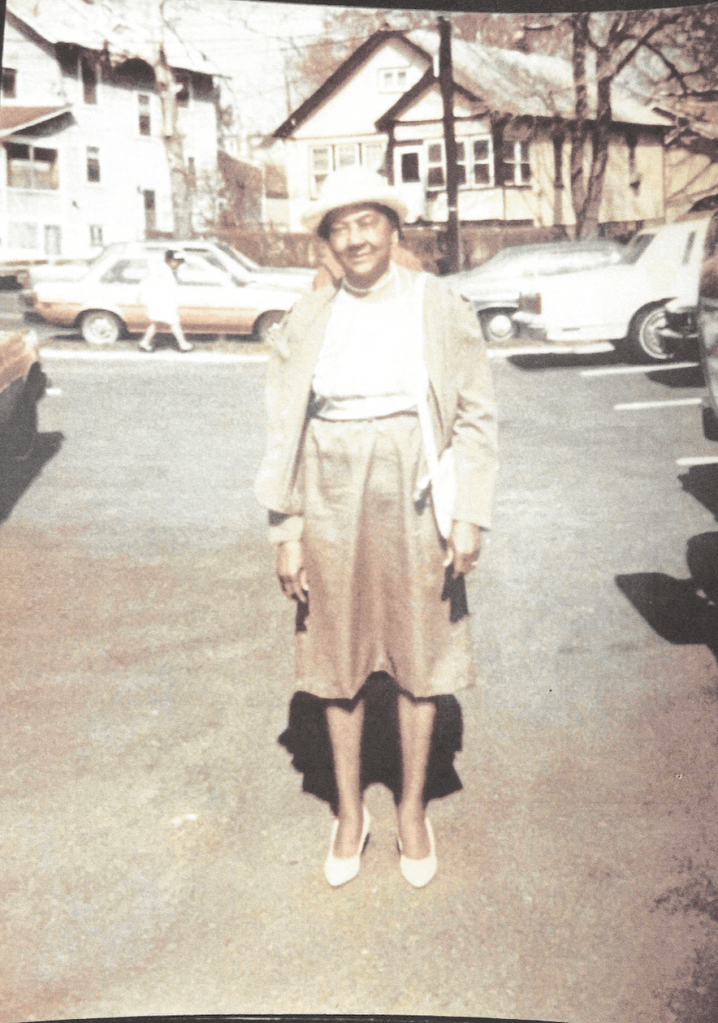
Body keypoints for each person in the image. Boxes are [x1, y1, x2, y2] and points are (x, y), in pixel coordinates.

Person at [254, 167, 498, 888]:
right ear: (326, 241)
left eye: (369, 221)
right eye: (340, 226)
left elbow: (478, 414)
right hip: (329, 485)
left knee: (423, 654)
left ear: (395, 228)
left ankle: (413, 809)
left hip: (419, 485)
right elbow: (283, 429)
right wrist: (287, 528)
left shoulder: (439, 304)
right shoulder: (307, 318)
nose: (356, 237)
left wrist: (471, 514)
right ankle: (350, 812)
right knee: (337, 655)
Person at [138, 250, 193, 353]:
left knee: (156, 324)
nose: (178, 264)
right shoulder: (163, 271)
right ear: (169, 260)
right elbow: (157, 286)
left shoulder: (165, 270)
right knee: (174, 322)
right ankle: (183, 345)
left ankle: (144, 343)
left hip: (160, 302)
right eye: (176, 261)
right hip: (161, 303)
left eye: (179, 262)